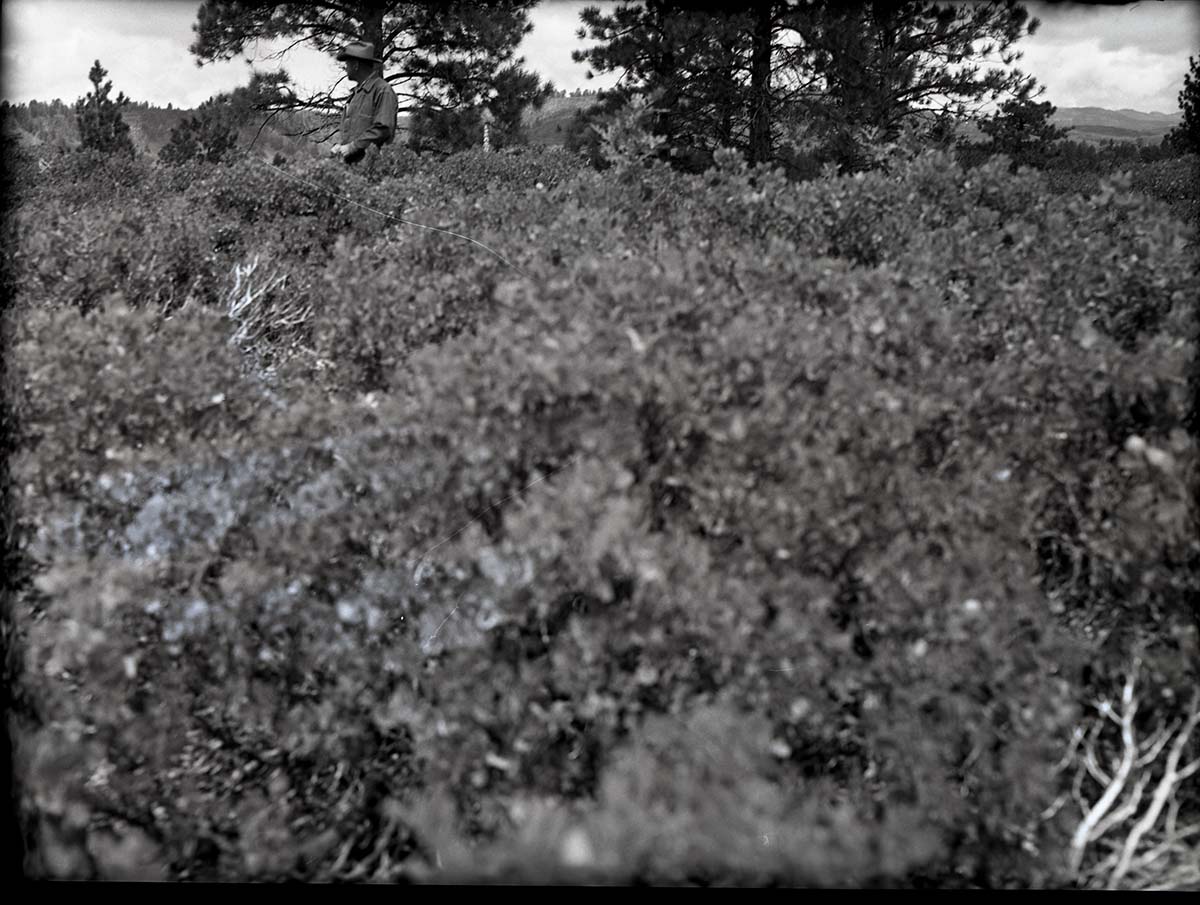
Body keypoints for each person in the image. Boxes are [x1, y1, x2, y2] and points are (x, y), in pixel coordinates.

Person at [329, 41, 398, 168]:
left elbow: (383, 129)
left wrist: (352, 147)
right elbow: (352, 131)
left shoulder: (382, 90)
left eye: (347, 63)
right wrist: (340, 146)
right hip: (351, 170)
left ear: (355, 65)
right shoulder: (356, 94)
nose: (345, 68)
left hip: (371, 171)